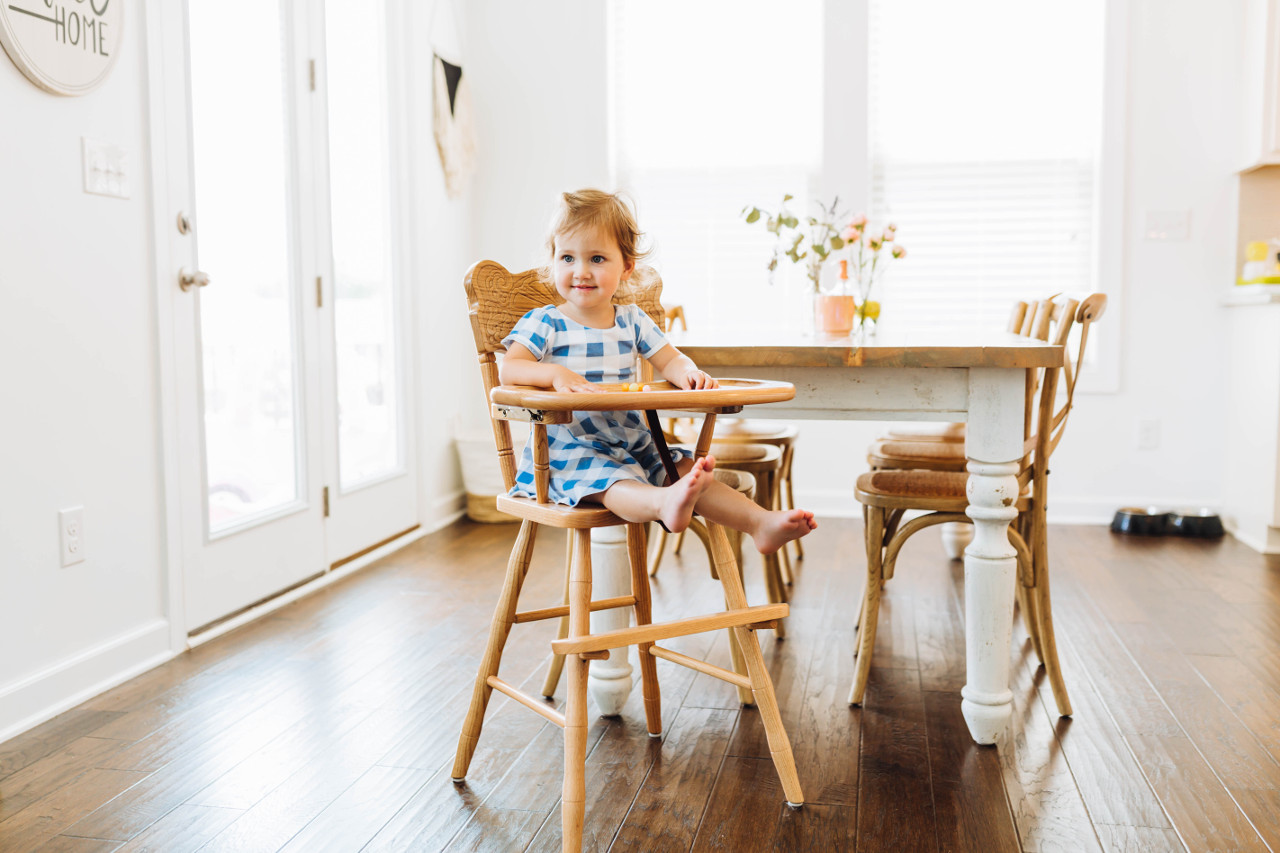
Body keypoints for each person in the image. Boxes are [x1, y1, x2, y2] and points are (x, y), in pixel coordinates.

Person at [499, 189, 816, 555]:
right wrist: (553, 374)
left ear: (627, 266)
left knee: (688, 472)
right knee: (616, 481)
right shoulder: (545, 322)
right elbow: (511, 370)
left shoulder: (632, 319)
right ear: (553, 260)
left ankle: (759, 523)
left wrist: (688, 373)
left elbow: (670, 359)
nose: (581, 271)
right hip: (570, 447)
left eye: (597, 258)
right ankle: (662, 503)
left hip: (632, 439)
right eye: (567, 257)